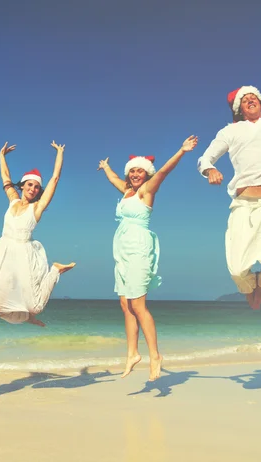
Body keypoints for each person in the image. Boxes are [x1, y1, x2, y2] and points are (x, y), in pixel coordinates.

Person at [197, 17, 261, 310]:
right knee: (236, 268)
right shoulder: (230, 131)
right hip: (244, 206)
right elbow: (205, 158)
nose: (250, 100)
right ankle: (249, 285)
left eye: (254, 97)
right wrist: (210, 169)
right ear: (238, 108)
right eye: (244, 99)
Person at [98, 135, 199, 381]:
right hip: (122, 250)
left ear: (146, 174)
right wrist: (106, 167)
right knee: (125, 305)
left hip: (139, 248)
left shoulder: (146, 191)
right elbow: (113, 178)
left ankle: (155, 355)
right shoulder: (126, 191)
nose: (135, 174)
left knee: (139, 305)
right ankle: (132, 353)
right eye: (131, 171)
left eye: (139, 171)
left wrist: (181, 151)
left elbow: (163, 171)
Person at [0, 141, 75, 326]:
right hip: (4, 252)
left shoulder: (37, 208)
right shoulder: (12, 200)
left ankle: (55, 270)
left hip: (24, 255)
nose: (33, 189)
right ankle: (28, 318)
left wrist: (60, 153)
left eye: (36, 187)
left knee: (36, 306)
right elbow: (5, 178)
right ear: (22, 185)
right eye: (29, 185)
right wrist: (1, 155)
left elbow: (54, 179)